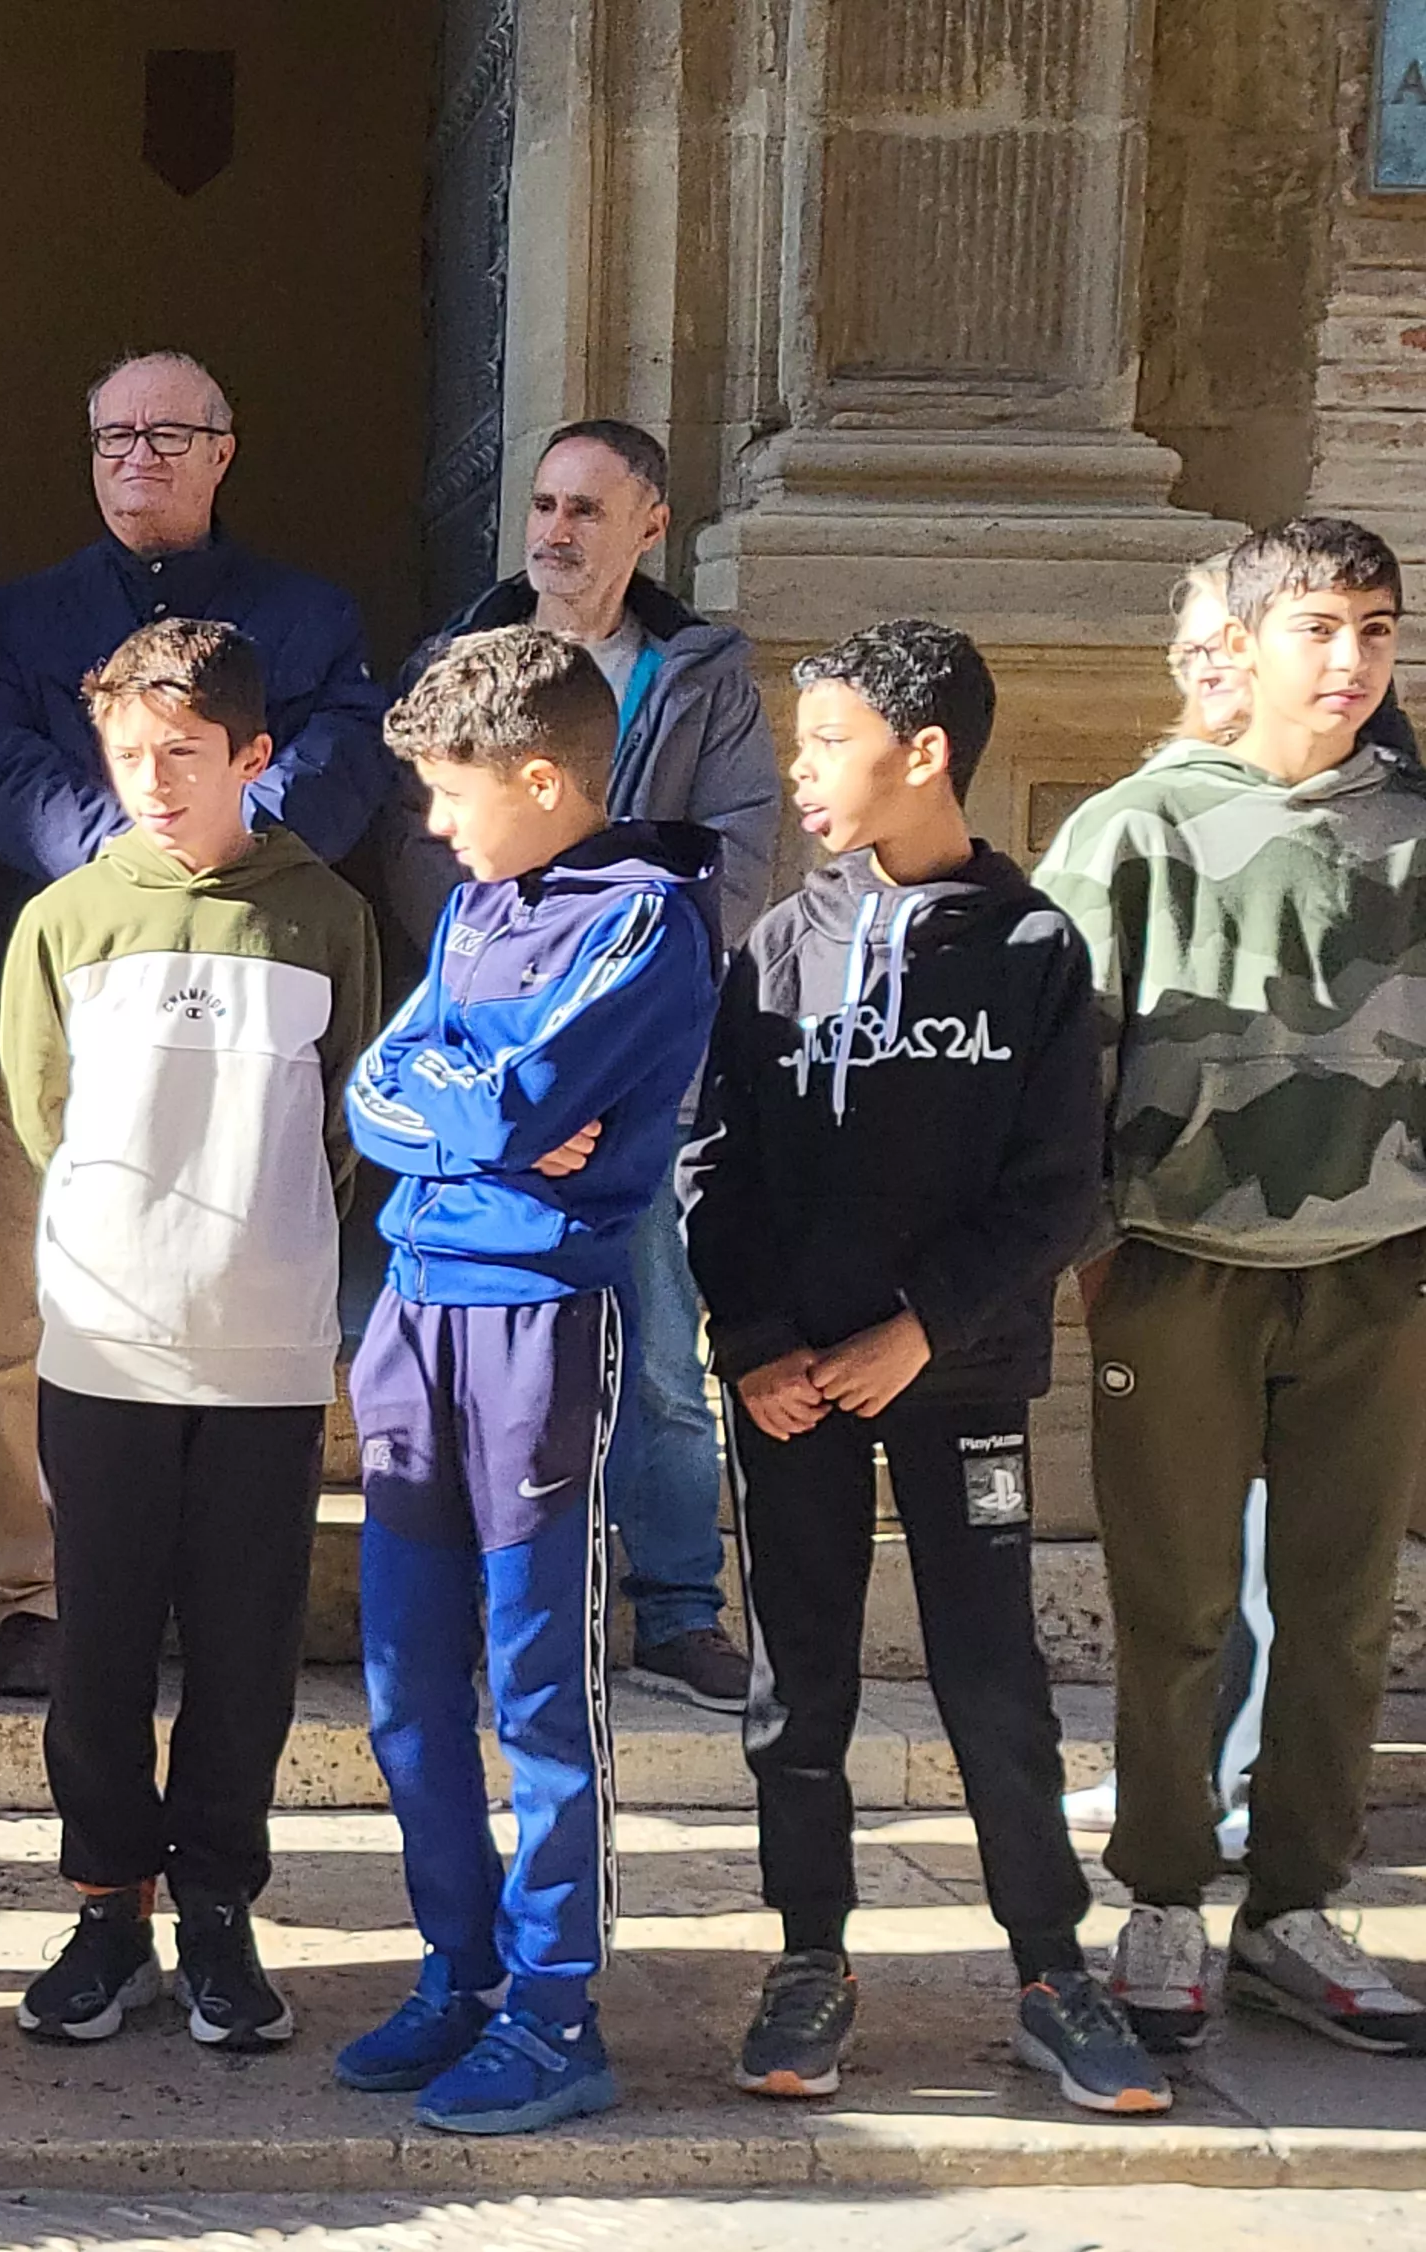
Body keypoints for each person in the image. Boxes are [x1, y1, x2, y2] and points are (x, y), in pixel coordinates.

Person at [682, 619, 1165, 2115]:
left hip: (955, 1383)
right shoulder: (777, 946)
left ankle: (1051, 1967)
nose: (800, 768)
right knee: (800, 1677)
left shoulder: (1033, 951)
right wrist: (756, 1347)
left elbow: (1058, 1189)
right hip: (792, 1393)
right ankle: (809, 1961)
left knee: (992, 1676)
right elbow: (715, 1166)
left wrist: (923, 1331)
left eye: (827, 741)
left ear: (925, 754)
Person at [0, 349, 390, 1698]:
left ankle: (221, 1588)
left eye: (167, 434)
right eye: (111, 436)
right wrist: (127, 848)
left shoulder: (306, 615)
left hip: (255, 1010)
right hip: (80, 1005)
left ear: (223, 449)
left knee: (246, 1320)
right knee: (35, 1321)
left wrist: (231, 836)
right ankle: (41, 1590)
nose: (136, 455)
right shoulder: (25, 617)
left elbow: (351, 745)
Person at [1043, 518, 1426, 2059]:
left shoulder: (1417, 829)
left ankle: (1295, 1909)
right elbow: (1062, 1067)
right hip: (1180, 1279)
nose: (1350, 661)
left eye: (1379, 632)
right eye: (1321, 628)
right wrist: (1089, 1251)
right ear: (1247, 645)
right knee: (1177, 1606)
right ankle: (1160, 1898)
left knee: (1340, 1610)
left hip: (1376, 1281)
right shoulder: (1132, 831)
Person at [332, 624, 716, 2136]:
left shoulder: (645, 923)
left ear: (543, 777)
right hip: (414, 1318)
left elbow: (519, 1106)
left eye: (450, 792)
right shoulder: (475, 913)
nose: (432, 825)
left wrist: (466, 1110)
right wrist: (464, 1110)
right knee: (407, 1689)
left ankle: (557, 2012)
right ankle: (461, 1969)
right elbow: (381, 1094)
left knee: (542, 1694)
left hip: (547, 1326)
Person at [0, 620, 378, 2054]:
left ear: (252, 756)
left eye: (185, 755)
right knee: (97, 1644)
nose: (155, 781)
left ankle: (219, 1904)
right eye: (130, 756)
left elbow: (347, 1119)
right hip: (105, 1342)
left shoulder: (323, 916)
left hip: (265, 1345)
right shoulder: (65, 922)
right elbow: (47, 1115)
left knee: (242, 1646)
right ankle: (108, 1904)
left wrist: (252, 1229)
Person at [386, 418, 779, 1717]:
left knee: (660, 1350)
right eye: (544, 506)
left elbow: (740, 857)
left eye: (586, 511)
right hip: (493, 1055)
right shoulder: (467, 657)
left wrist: (602, 975)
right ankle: (481, 1606)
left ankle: (678, 1609)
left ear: (650, 525)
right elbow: (421, 850)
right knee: (490, 1353)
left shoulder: (700, 671)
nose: (554, 533)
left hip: (644, 1064)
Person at [1060, 556, 1271, 1865]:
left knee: (1279, 1550)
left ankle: (1239, 1793)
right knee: (1182, 1544)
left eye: (1229, 649)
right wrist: (1090, 1239)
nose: (1204, 674)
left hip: (1327, 1250)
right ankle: (1176, 1778)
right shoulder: (1139, 823)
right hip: (1173, 1243)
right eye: (1190, 649)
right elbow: (1074, 1041)